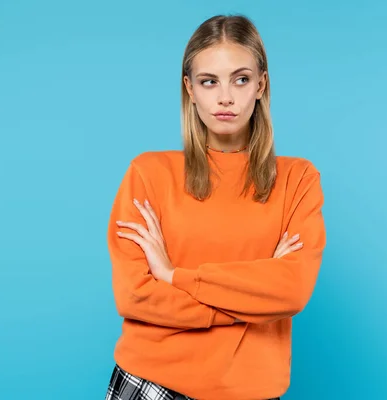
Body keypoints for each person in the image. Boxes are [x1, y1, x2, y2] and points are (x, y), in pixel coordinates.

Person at [104, 14, 326, 400]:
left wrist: (174, 277)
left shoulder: (297, 179)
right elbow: (135, 295)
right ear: (190, 89)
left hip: (251, 390)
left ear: (261, 85)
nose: (226, 97)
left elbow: (291, 290)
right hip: (152, 383)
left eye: (241, 79)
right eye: (210, 81)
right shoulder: (149, 173)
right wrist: (255, 301)